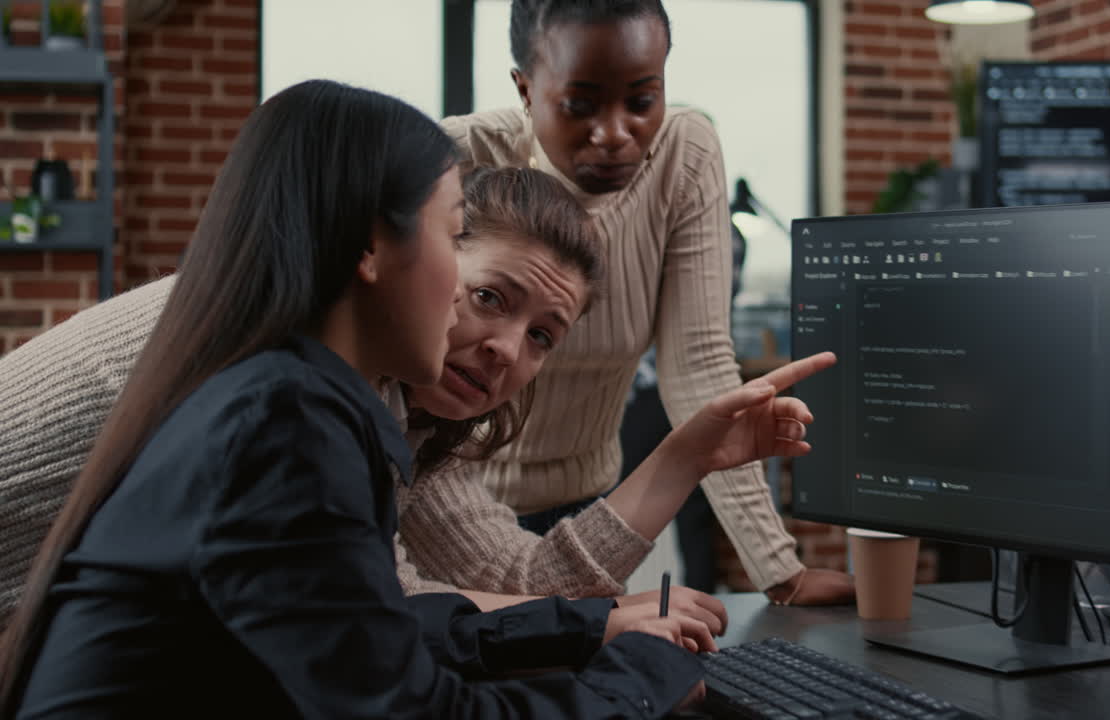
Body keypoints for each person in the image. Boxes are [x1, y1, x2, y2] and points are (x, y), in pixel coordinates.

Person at [0, 80, 749, 716]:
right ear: (367, 247)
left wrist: (584, 630)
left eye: (543, 336)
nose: (497, 340)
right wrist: (644, 680)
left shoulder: (300, 392)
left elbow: (375, 622)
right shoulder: (281, 420)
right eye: (452, 235)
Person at [398, 0, 856, 604]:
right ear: (527, 90)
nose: (616, 135)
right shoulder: (446, 158)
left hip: (583, 503)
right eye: (580, 104)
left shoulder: (685, 156)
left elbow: (698, 362)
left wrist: (778, 570)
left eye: (642, 102)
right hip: (447, 495)